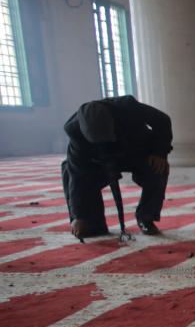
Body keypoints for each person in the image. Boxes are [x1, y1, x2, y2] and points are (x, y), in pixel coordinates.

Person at [62, 95, 172, 238]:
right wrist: (79, 215)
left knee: (158, 168)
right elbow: (77, 176)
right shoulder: (74, 132)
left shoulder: (127, 108)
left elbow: (162, 120)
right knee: (69, 170)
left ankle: (146, 217)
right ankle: (92, 223)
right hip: (98, 160)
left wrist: (160, 152)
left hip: (135, 150)